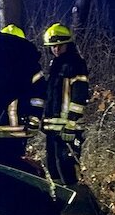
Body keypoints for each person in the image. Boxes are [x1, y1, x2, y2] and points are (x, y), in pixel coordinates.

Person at [35, 22, 89, 185]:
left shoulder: (76, 64)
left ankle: (76, 204)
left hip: (69, 128)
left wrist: (71, 123)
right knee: (53, 167)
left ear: (67, 44)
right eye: (53, 47)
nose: (56, 50)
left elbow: (79, 96)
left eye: (60, 46)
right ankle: (60, 204)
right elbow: (52, 97)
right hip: (54, 128)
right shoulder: (55, 65)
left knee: (67, 167)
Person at [0, 24, 36, 169]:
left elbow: (39, 97)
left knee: (8, 168)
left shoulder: (29, 68)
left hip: (7, 129)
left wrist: (34, 119)